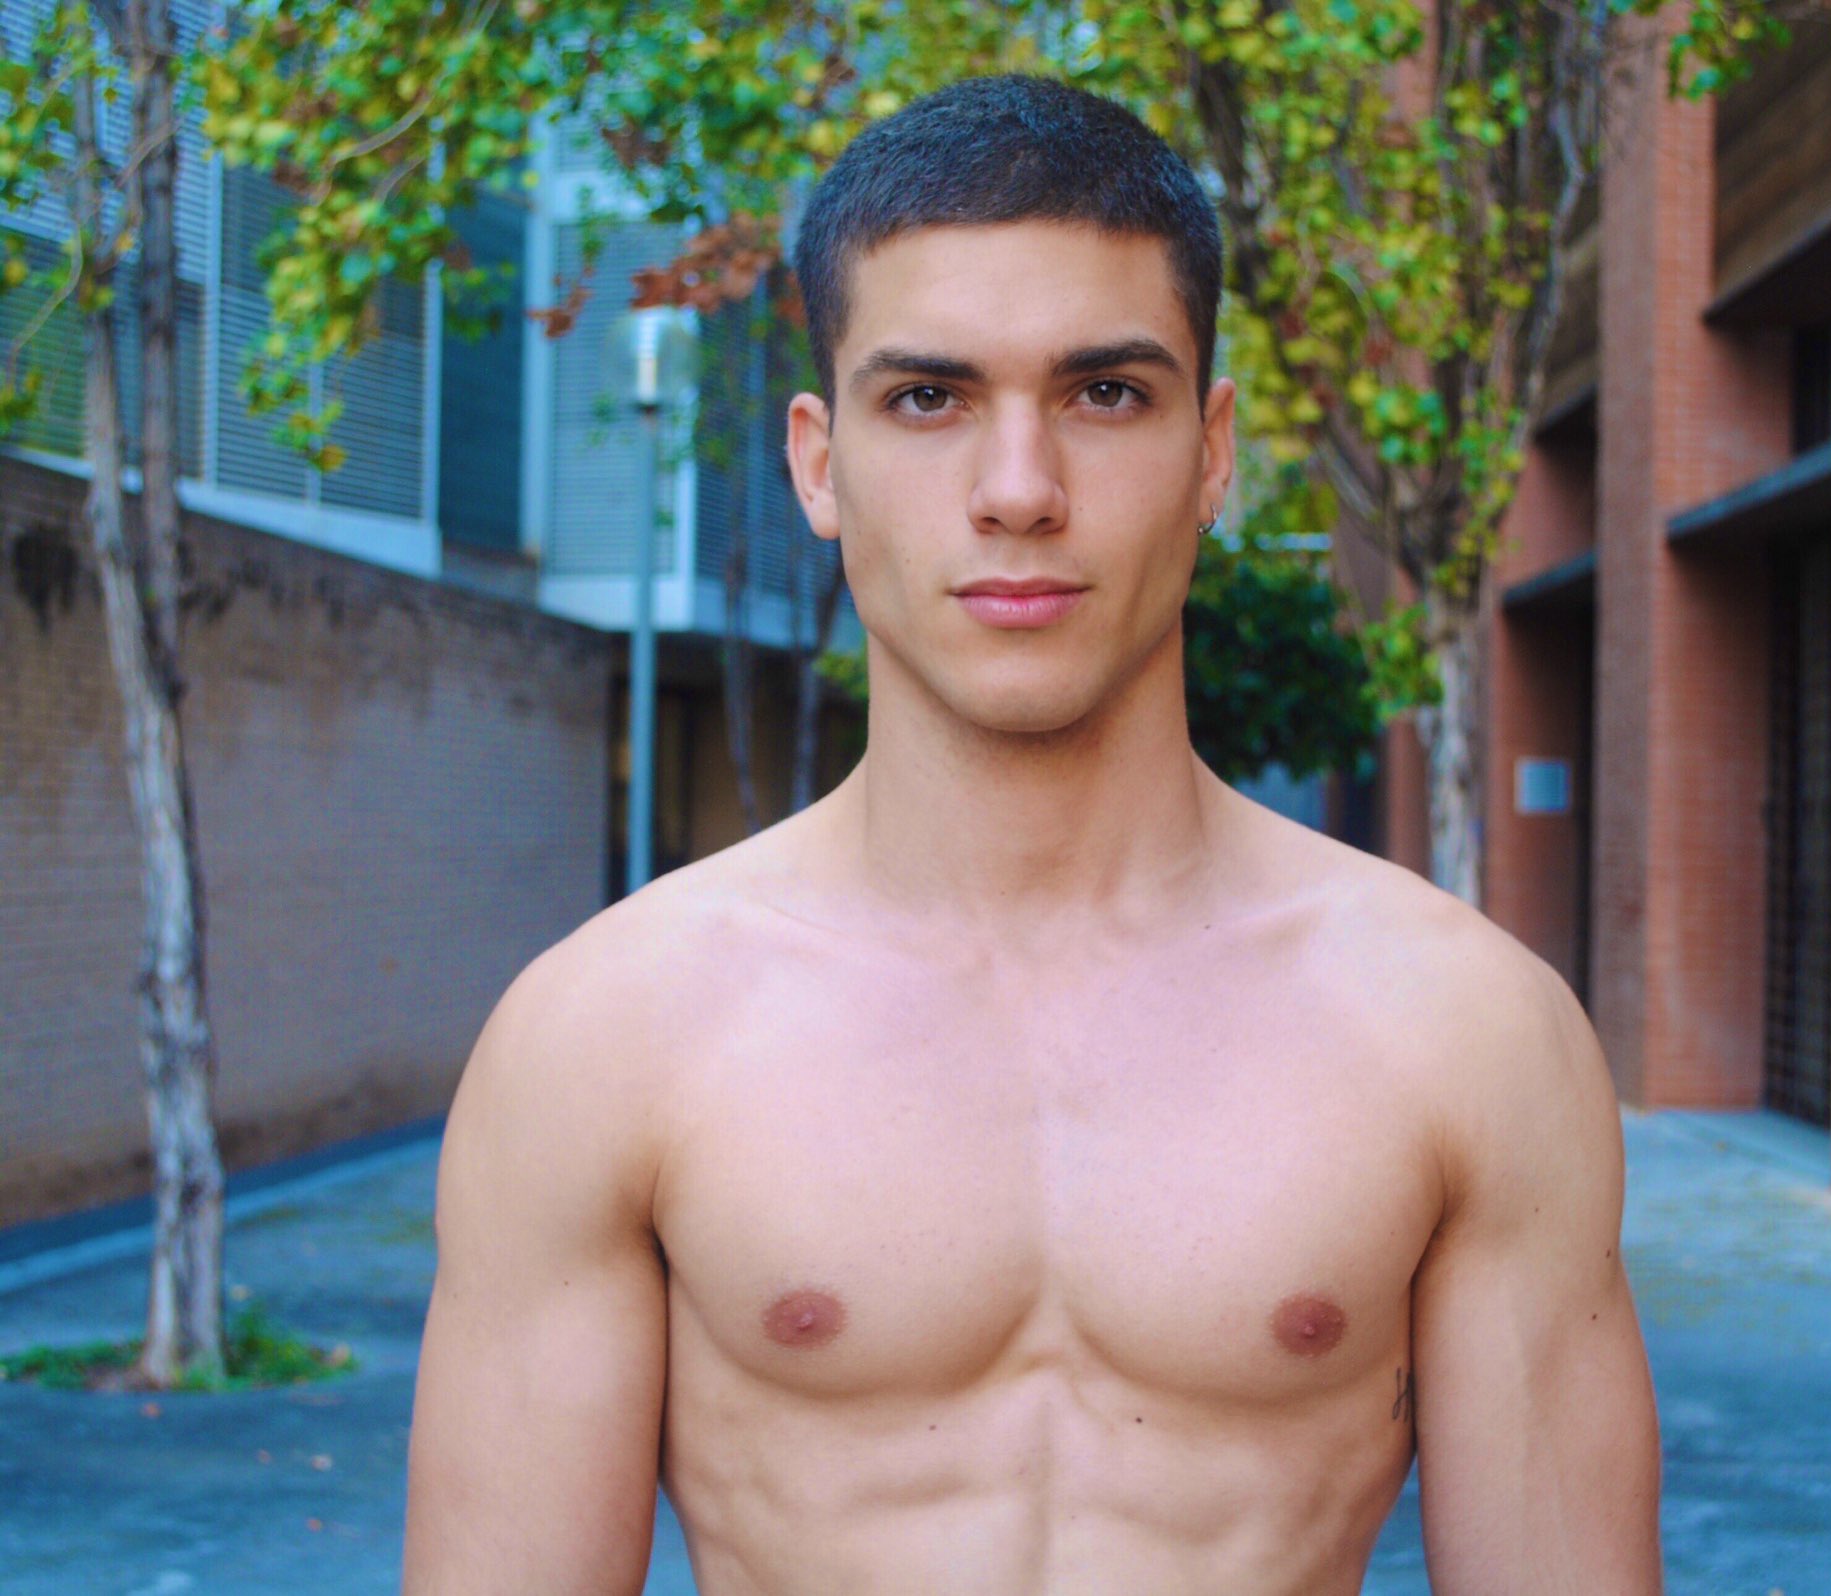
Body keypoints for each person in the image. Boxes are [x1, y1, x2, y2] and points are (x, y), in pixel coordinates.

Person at [401, 74, 1662, 1595]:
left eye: (1105, 394)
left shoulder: (1467, 1032)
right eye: (928, 400)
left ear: (1212, 453)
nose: (1018, 493)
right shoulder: (603, 1038)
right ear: (819, 462)